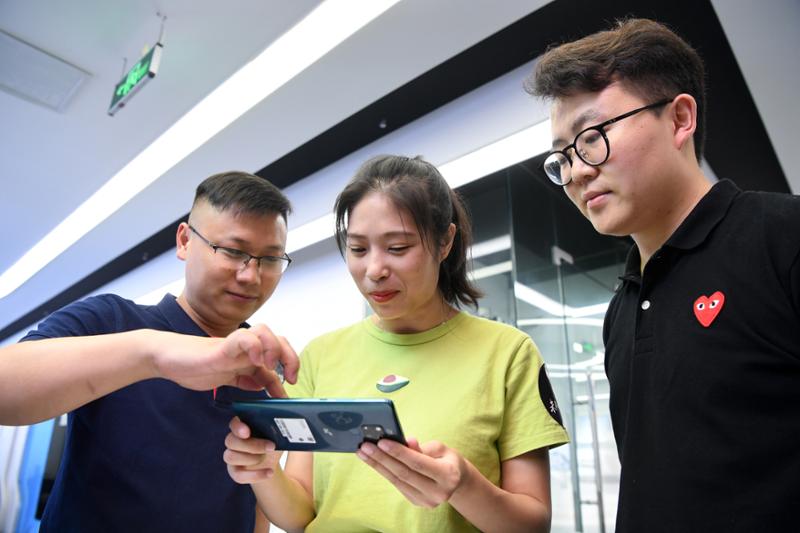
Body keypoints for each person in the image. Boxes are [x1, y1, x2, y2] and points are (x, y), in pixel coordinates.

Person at [527, 18, 800, 531]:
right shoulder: (622, 307)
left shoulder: (783, 238)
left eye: (592, 136)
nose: (577, 171)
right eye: (562, 156)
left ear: (679, 119)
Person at [222, 154, 569, 532]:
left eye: (398, 248)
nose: (374, 270)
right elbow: (300, 515)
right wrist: (263, 470)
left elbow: (532, 525)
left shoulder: (507, 353)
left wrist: (464, 486)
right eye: (358, 249)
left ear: (445, 241)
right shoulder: (320, 356)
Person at [0, 171, 299, 532]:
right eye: (233, 251)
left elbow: (254, 499)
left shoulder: (263, 368)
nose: (251, 275)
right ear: (185, 241)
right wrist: (151, 354)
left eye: (270, 259)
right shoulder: (111, 320)